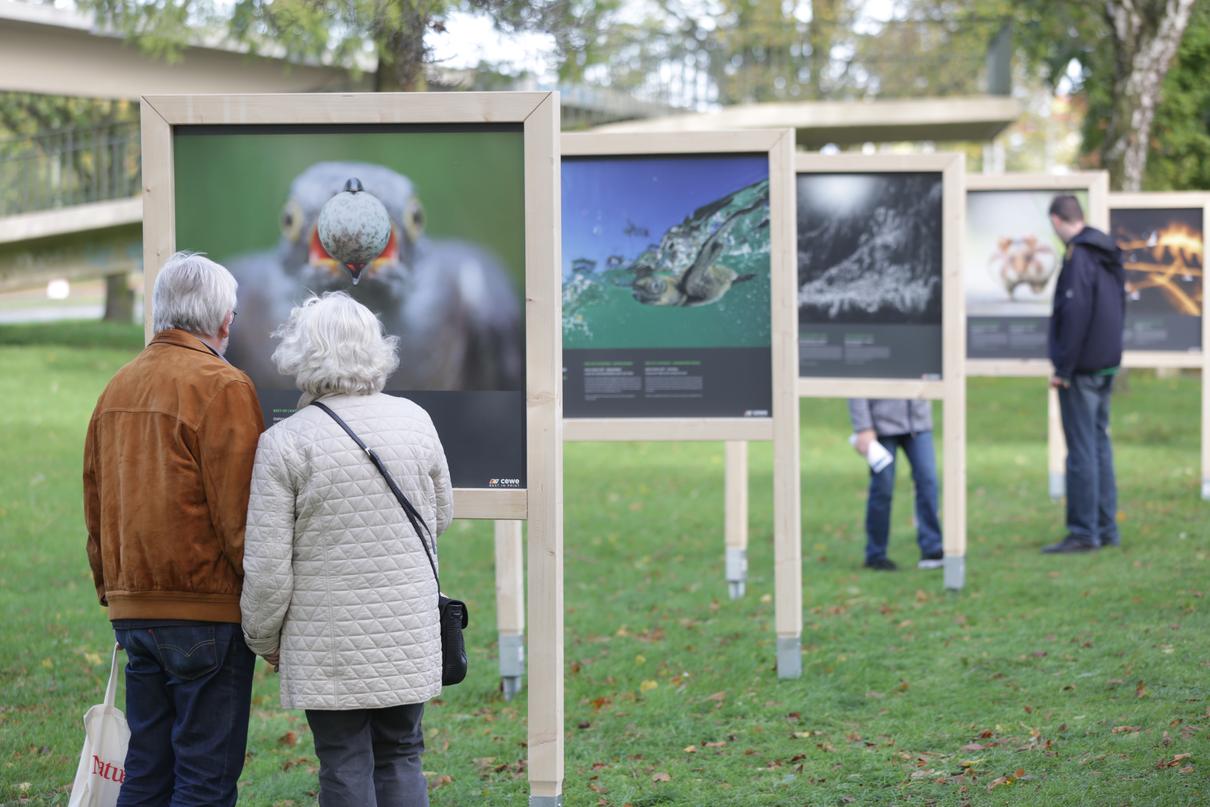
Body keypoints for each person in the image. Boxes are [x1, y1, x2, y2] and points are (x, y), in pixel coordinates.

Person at [241, 292, 453, 807]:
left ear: (303, 354)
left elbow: (268, 566)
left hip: (326, 641)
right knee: (402, 753)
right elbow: (440, 515)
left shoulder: (285, 442)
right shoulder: (415, 419)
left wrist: (262, 637)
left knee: (343, 762)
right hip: (407, 629)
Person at [83, 252, 263, 806]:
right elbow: (241, 521)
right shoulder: (223, 386)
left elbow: (95, 502)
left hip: (134, 610)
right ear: (224, 321)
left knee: (146, 771)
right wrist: (266, 609)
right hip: (205, 611)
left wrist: (111, 590)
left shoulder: (116, 387)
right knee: (204, 779)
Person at [1043, 194, 1126, 553]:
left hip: (1082, 369)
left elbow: (1075, 314)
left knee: (1080, 451)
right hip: (1106, 363)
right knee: (1099, 445)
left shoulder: (1079, 256)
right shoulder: (1106, 252)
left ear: (1058, 221)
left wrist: (1063, 367)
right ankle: (1106, 528)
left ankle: (1082, 532)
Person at [849, 399, 944, 571]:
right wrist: (863, 427)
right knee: (882, 489)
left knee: (928, 481)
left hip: (918, 424)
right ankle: (876, 555)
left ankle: (932, 549)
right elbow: (856, 386)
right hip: (880, 427)